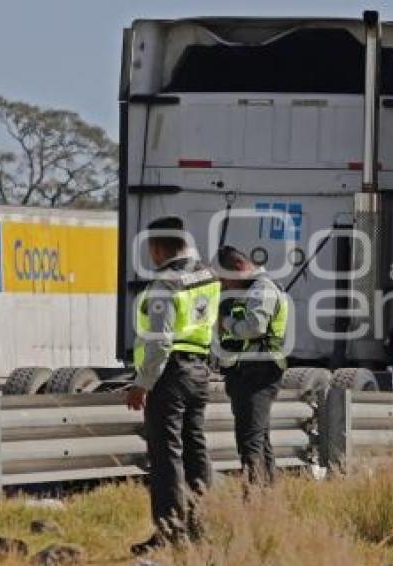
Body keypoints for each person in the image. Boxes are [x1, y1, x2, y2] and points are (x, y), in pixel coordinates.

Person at [126, 216, 220, 555]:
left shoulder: (165, 283)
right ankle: (200, 527)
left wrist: (142, 383)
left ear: (157, 247)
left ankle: (168, 533)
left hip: (170, 373)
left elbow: (160, 341)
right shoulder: (208, 276)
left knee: (166, 454)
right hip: (200, 371)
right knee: (196, 452)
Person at [216, 245, 289, 486]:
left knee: (250, 441)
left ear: (239, 268)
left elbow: (254, 327)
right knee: (259, 437)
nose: (225, 287)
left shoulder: (262, 289)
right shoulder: (254, 289)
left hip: (258, 373)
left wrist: (226, 323)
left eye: (226, 280)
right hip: (250, 372)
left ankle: (253, 498)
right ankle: (267, 494)